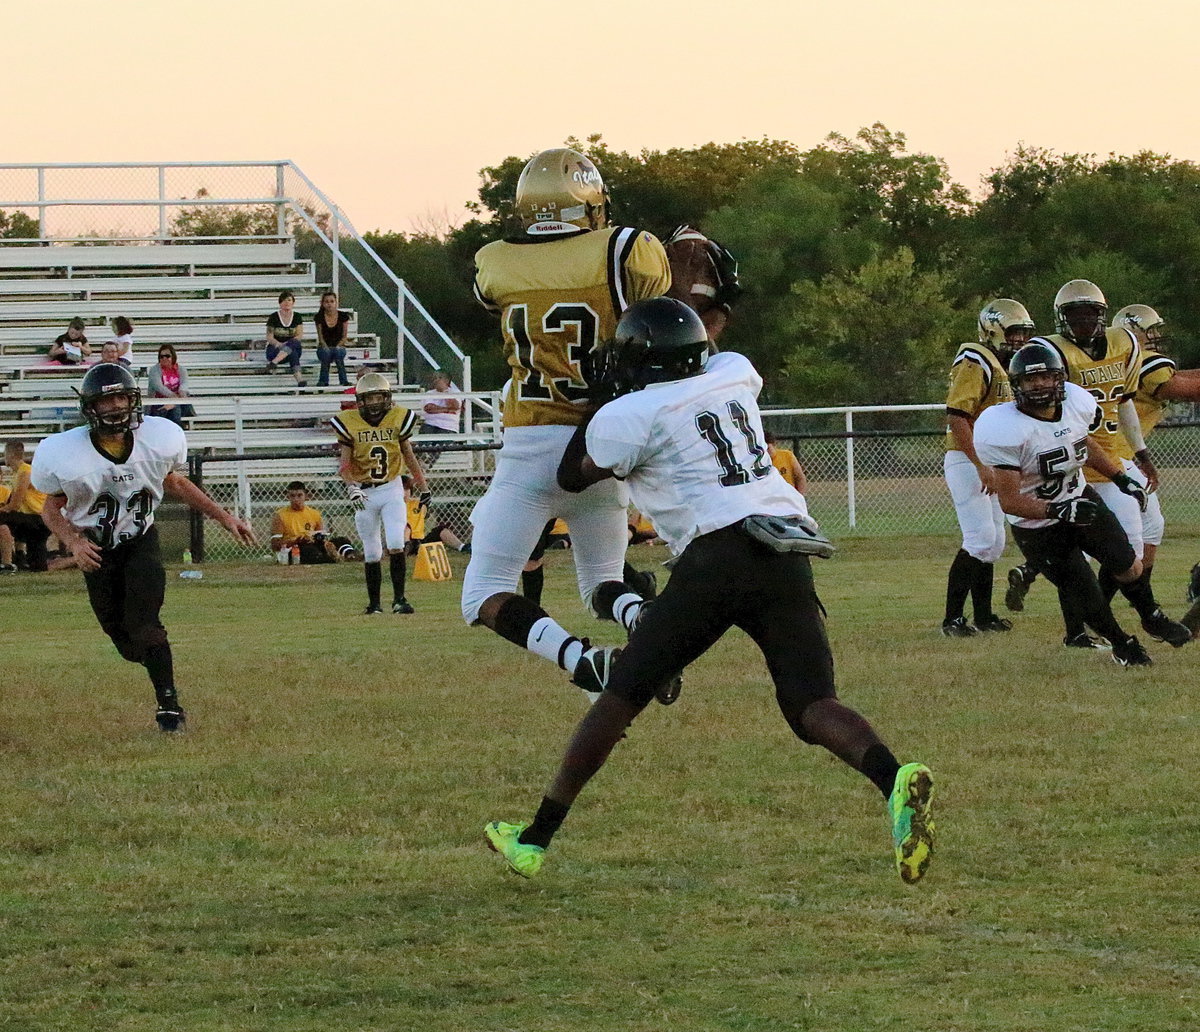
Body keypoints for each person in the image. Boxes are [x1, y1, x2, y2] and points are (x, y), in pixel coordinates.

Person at [485, 297, 934, 884]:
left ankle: (534, 839)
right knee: (810, 704)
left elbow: (572, 474)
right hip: (783, 544)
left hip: (716, 555)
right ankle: (891, 778)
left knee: (620, 695)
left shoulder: (632, 413)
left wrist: (600, 397)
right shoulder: (733, 373)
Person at [463, 146, 676, 699]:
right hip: (603, 444)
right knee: (603, 582)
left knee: (483, 592)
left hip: (531, 447)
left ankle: (581, 660)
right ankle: (643, 624)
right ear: (589, 202)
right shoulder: (627, 250)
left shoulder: (495, 261)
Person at [30, 363, 256, 731]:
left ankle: (169, 707)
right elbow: (49, 507)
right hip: (97, 550)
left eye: (122, 396)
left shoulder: (158, 438)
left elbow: (176, 484)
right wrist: (73, 541)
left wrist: (223, 517)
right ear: (90, 407)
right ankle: (152, 659)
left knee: (145, 623)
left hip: (140, 541)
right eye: (107, 400)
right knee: (124, 641)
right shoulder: (64, 452)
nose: (117, 406)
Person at [1005, 281, 1189, 648]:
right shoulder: (1047, 351)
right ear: (1062, 317)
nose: (1084, 320)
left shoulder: (1124, 344)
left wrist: (1141, 455)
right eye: (1075, 313)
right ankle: (1090, 625)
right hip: (1072, 462)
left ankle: (1105, 616)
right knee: (1094, 554)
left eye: (1090, 312)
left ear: (1103, 314)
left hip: (1110, 456)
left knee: (1135, 541)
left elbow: (1124, 403)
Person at [974, 343, 1159, 666]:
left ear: (1060, 379)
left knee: (1127, 560)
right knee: (1084, 590)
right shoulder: (1003, 427)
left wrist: (1120, 477)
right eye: (1032, 381)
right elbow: (1010, 501)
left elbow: (1082, 441)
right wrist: (1058, 510)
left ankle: (1153, 618)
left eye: (1047, 377)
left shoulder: (1077, 403)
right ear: (1017, 387)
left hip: (1079, 498)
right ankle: (1122, 644)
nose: (1041, 385)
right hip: (1038, 523)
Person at [940, 299, 1034, 637]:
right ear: (993, 330)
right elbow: (957, 416)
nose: (1019, 341)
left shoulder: (1001, 363)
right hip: (968, 459)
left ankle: (982, 615)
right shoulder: (975, 360)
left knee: (993, 542)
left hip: (990, 460)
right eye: (1014, 333)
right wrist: (980, 463)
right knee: (979, 538)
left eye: (1024, 334)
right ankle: (952, 619)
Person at [1109, 304, 1200, 614]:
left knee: (1144, 527)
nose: (1157, 336)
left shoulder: (1130, 362)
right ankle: (1131, 604)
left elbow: (1182, 376)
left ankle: (1141, 602)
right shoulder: (1145, 361)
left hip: (1120, 453)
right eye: (1152, 330)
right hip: (1114, 454)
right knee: (1132, 534)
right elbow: (1187, 389)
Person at [331, 372, 430, 614]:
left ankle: (400, 600)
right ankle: (374, 604)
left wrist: (423, 485)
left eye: (379, 398)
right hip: (364, 492)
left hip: (391, 487)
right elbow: (344, 465)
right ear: (360, 401)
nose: (375, 404)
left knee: (396, 541)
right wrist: (352, 487)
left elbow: (408, 453)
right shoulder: (349, 423)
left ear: (387, 398)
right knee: (372, 550)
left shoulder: (398, 418)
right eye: (370, 399)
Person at [270, 481, 357, 563]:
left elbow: (320, 537)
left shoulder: (314, 513)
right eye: (292, 496)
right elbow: (274, 545)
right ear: (288, 497)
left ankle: (351, 555)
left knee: (341, 540)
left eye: (299, 495)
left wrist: (325, 543)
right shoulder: (280, 515)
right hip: (294, 549)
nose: (296, 499)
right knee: (309, 550)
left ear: (306, 496)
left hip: (312, 544)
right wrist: (296, 541)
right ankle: (331, 559)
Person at [0, 441, 52, 572]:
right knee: (39, 567)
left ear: (10, 454)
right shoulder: (19, 473)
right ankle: (20, 557)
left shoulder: (25, 472)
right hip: (38, 521)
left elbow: (14, 505)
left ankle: (7, 563)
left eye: (5, 454)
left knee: (4, 518)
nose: (4, 458)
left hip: (36, 519)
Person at [420, 369, 463, 468]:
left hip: (449, 426)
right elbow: (429, 408)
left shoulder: (455, 392)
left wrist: (445, 392)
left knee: (440, 444)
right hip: (430, 423)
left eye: (439, 378)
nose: (435, 380)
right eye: (435, 377)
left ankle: (427, 464)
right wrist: (447, 410)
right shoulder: (429, 393)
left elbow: (455, 406)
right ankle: (422, 460)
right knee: (424, 440)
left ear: (447, 380)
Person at [265, 290, 306, 386]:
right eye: (284, 300)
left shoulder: (297, 316)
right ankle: (299, 378)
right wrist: (280, 345)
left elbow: (299, 335)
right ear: (280, 303)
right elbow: (269, 337)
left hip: (292, 345)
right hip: (275, 349)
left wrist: (287, 346)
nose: (287, 302)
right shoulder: (274, 317)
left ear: (293, 303)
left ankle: (274, 363)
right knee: (292, 352)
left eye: (289, 300)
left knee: (293, 343)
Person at [147, 343, 194, 425]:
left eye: (167, 356)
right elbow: (159, 387)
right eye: (161, 356)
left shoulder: (181, 369)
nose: (164, 358)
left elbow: (184, 384)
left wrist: (179, 394)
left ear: (173, 357)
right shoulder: (154, 370)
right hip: (159, 401)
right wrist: (173, 397)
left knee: (176, 406)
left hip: (178, 400)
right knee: (175, 409)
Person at [313, 290, 351, 387]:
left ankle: (343, 381)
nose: (329, 304)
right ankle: (323, 381)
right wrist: (326, 347)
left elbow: (344, 336)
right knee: (326, 353)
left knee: (338, 352)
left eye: (332, 301)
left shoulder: (343, 316)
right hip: (324, 346)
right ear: (323, 303)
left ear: (336, 302)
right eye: (327, 302)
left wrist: (338, 346)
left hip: (339, 346)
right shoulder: (319, 317)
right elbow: (320, 337)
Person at [764, 429, 809, 496]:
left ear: (774, 444)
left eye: (768, 449)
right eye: (763, 450)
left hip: (789, 498)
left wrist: (800, 497)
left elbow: (800, 477)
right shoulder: (759, 462)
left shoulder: (787, 456)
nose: (766, 452)